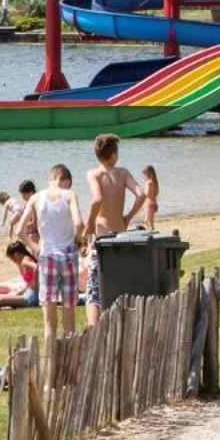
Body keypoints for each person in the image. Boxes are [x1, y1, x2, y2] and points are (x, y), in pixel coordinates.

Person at [82, 133, 145, 325]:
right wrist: (128, 216)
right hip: (121, 235)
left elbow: (97, 199)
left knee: (94, 289)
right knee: (119, 283)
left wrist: (90, 223)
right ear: (114, 154)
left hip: (102, 238)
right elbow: (141, 195)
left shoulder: (93, 174)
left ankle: (94, 330)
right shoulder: (123, 173)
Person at [31, 165, 85, 338]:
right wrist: (79, 240)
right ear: (67, 181)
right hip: (68, 256)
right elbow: (78, 223)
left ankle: (50, 361)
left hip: (47, 257)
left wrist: (35, 247)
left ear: (50, 179)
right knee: (69, 317)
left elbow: (19, 230)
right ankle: (70, 360)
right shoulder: (69, 194)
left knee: (49, 323)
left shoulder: (36, 197)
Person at [139, 166, 160, 231]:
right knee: (148, 221)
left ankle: (152, 232)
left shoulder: (149, 183)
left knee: (149, 222)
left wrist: (141, 194)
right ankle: (151, 231)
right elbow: (155, 193)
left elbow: (147, 194)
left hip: (150, 205)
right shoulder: (154, 182)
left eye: (145, 175)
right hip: (153, 204)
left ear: (149, 174)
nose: (144, 177)